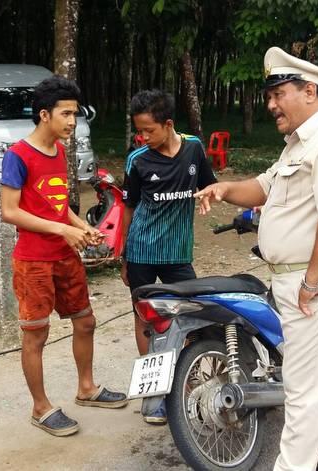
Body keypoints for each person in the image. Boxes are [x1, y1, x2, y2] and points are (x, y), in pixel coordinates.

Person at [194, 47, 318, 471]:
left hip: (316, 284)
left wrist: (311, 282)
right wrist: (222, 189)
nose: (271, 105)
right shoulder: (298, 144)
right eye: (269, 95)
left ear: (309, 90)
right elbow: (264, 186)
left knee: (302, 392)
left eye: (279, 94)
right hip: (299, 282)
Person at [0, 76, 127, 437]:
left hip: (64, 254)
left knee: (85, 321)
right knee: (35, 336)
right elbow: (9, 211)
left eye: (76, 113)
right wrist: (64, 230)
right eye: (66, 113)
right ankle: (40, 408)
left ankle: (86, 388)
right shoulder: (17, 155)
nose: (73, 121)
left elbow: (55, 207)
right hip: (33, 261)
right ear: (44, 114)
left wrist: (79, 227)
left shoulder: (59, 150)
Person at [120, 89, 217, 424]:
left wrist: (205, 198)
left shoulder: (194, 147)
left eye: (149, 130)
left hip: (178, 254)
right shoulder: (138, 160)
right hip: (142, 251)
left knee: (194, 316)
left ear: (168, 124)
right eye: (139, 131)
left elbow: (208, 185)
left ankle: (188, 382)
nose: (143, 137)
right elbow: (128, 209)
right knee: (145, 319)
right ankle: (154, 394)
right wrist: (124, 256)